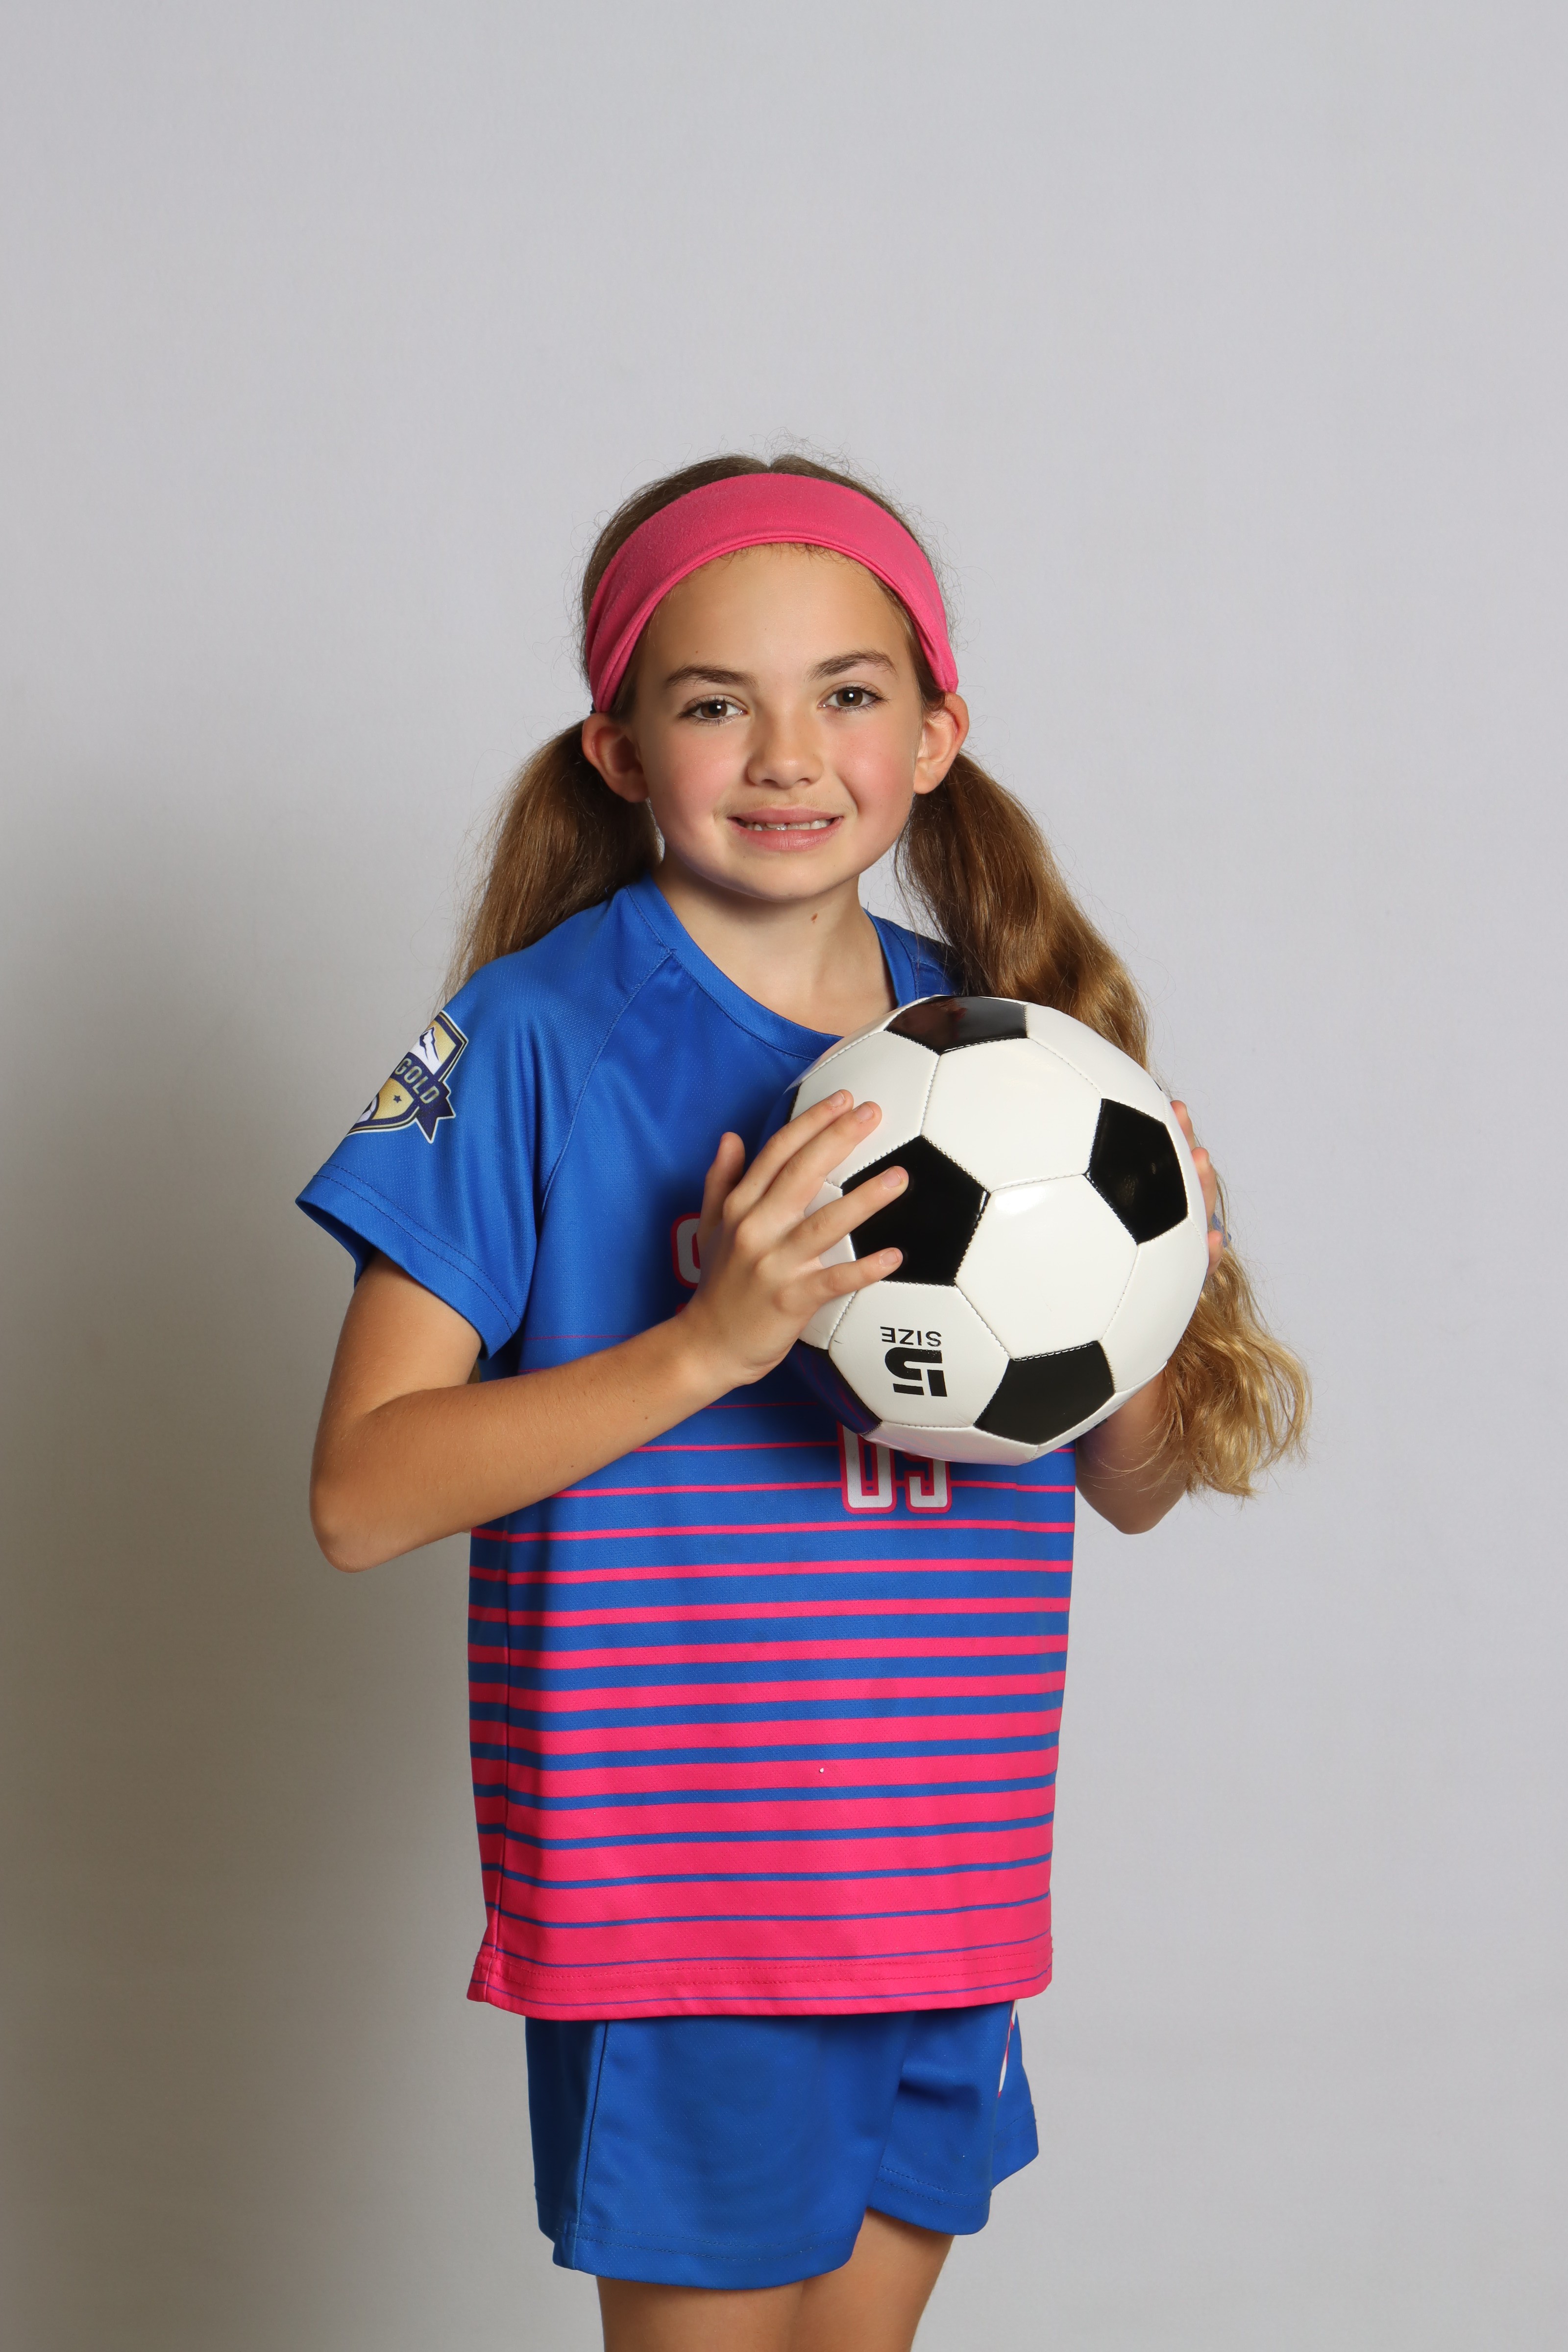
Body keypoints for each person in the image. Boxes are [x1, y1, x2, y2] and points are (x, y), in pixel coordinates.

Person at [299, 454, 1307, 2352]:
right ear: (618, 749)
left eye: (846, 693)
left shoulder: (1008, 1058)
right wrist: (708, 1343)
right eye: (713, 703)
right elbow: (360, 1494)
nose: (785, 754)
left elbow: (1134, 1483)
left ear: (934, 734)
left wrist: (1149, 1274)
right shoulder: (538, 1038)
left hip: (943, 1889)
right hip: (691, 1912)